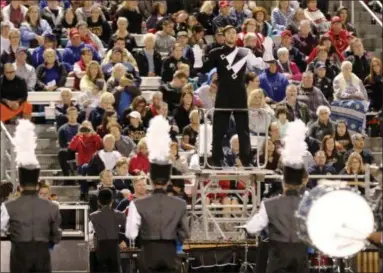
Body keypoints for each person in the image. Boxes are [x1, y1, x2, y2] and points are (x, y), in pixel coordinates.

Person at [125, 115, 189, 273]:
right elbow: (185, 232)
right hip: (171, 253)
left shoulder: (137, 204)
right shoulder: (180, 204)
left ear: (150, 180)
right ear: (168, 181)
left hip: (148, 253)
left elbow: (131, 233)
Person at [245, 120, 309, 273]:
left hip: (278, 255)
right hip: (301, 254)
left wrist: (247, 227)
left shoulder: (269, 204)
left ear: (283, 183)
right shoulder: (309, 204)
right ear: (301, 183)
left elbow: (253, 228)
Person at [0, 119, 62, 273]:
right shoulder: (52, 206)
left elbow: (1, 228)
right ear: (37, 185)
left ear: (19, 185)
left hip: (19, 253)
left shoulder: (8, 206)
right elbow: (57, 235)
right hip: (42, 253)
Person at [202, 25, 265, 167]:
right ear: (223, 37)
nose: (231, 35)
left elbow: (259, 65)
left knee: (243, 128)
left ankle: (246, 159)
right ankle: (216, 158)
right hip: (223, 93)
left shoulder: (244, 52)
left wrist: (267, 55)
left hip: (240, 94)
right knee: (219, 128)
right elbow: (204, 69)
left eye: (233, 33)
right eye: (228, 33)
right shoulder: (216, 52)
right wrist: (199, 58)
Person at [89, 188, 126, 273]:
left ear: (98, 202)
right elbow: (128, 230)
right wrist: (122, 239)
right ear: (112, 201)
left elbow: (90, 233)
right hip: (115, 248)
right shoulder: (120, 215)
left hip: (100, 247)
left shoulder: (92, 216)